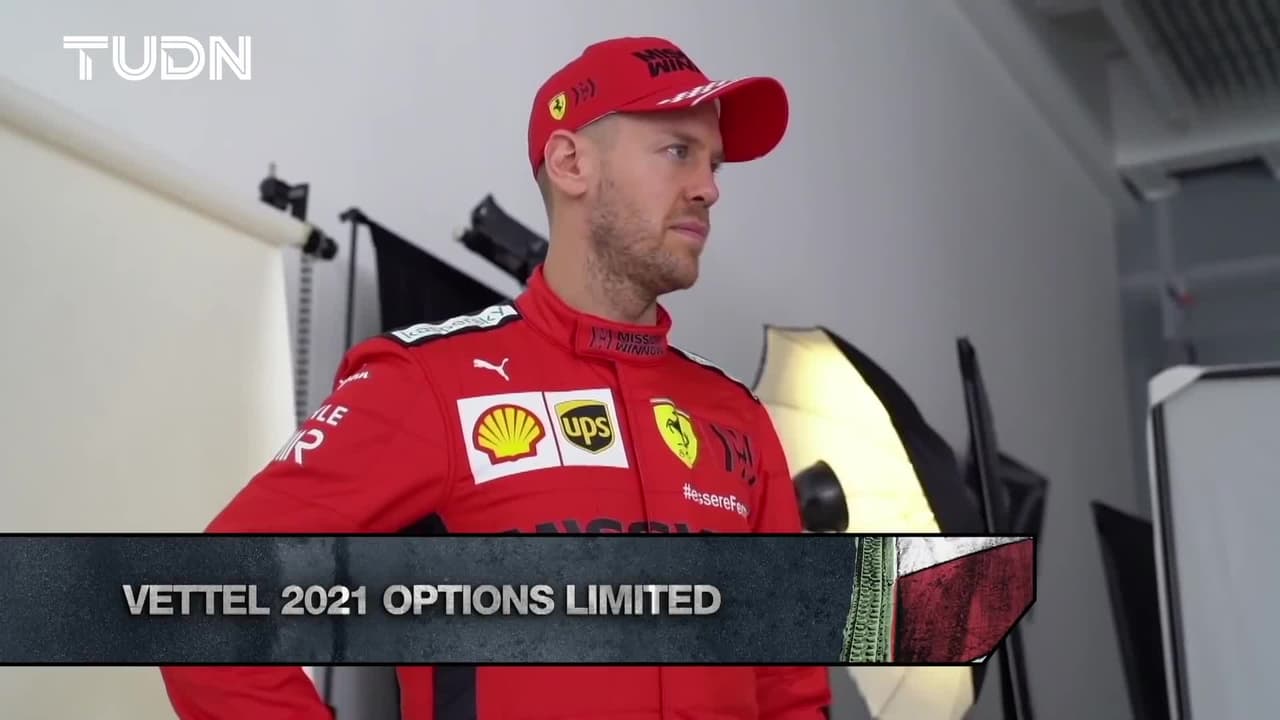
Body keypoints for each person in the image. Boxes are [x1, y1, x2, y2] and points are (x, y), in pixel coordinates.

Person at [160, 35, 831, 719]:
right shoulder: (429, 381)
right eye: (678, 151)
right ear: (571, 163)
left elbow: (791, 688)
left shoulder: (736, 417)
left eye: (714, 163)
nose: (709, 188)